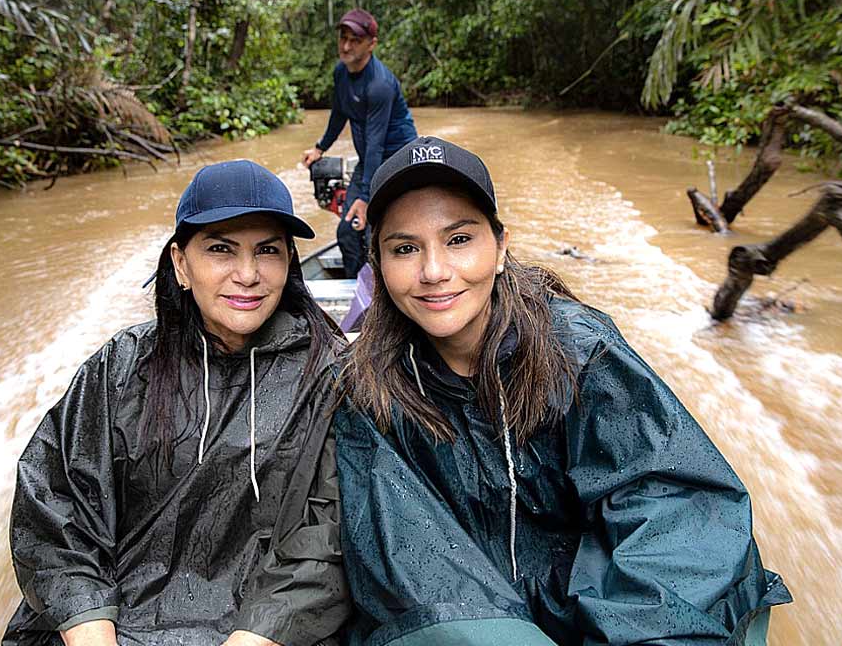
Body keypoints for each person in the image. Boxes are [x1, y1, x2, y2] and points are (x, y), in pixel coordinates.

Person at [332, 137, 792, 645]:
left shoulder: (579, 352)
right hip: (474, 615)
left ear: (501, 246)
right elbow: (406, 556)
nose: (435, 271)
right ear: (377, 264)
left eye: (459, 239)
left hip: (591, 603)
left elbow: (674, 504)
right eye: (404, 249)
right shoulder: (372, 387)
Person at [3, 161, 350, 646]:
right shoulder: (122, 365)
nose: (247, 274)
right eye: (220, 250)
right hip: (108, 622)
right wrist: (90, 628)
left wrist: (256, 636)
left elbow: (328, 535)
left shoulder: (331, 376)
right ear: (181, 265)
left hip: (262, 632)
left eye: (267, 250)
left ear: (290, 262)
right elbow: (56, 504)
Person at [301, 7, 418, 278]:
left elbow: (376, 142)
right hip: (370, 160)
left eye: (355, 40)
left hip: (397, 160)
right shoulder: (341, 73)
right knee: (347, 231)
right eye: (343, 37)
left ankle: (386, 287)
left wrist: (365, 198)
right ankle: (359, 287)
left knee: (374, 229)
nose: (345, 45)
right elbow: (339, 113)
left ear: (371, 44)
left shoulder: (380, 85)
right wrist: (320, 148)